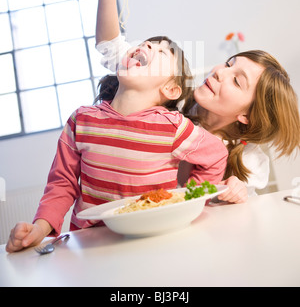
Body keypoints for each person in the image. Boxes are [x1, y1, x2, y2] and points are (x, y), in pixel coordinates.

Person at [95, 0, 300, 200]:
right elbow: (111, 48)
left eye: (237, 81)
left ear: (246, 115)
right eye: (228, 64)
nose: (219, 72)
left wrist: (238, 194)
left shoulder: (248, 163)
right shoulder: (171, 100)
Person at [6, 35, 228, 253]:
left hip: (154, 241)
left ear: (170, 89)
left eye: (161, 51)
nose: (147, 45)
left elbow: (217, 154)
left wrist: (190, 200)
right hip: (92, 245)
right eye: (144, 44)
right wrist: (40, 228)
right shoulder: (81, 120)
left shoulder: (174, 127)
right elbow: (62, 183)